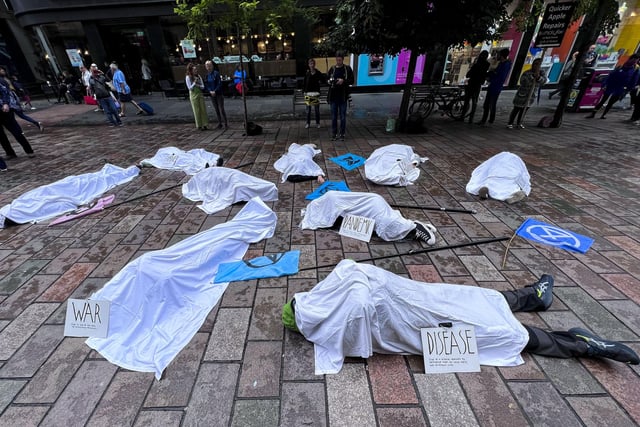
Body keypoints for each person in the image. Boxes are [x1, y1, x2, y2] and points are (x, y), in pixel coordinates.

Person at [282, 260, 639, 375]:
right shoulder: (334, 297)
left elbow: (350, 336)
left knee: (467, 299)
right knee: (482, 330)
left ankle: (533, 298)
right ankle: (578, 344)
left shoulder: (331, 300)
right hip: (409, 318)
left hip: (410, 298)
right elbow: (358, 332)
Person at [299, 191, 437, 245]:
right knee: (382, 228)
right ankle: (413, 226)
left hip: (371, 204)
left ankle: (415, 227)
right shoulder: (328, 203)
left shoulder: (331, 198)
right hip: (372, 204)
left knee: (386, 226)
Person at [586, 54, 640, 119]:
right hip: (612, 85)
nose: (635, 61)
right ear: (631, 59)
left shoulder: (635, 68)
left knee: (611, 102)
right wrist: (605, 84)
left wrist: (629, 88)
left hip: (621, 87)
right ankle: (593, 113)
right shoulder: (621, 65)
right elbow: (611, 75)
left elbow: (634, 79)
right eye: (634, 59)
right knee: (603, 100)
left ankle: (603, 115)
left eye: (636, 60)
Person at [0, 74, 36, 159]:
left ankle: (29, 150)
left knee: (15, 130)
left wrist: (5, 103)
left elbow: (5, 92)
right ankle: (10, 153)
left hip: (4, 109)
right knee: (1, 135)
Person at [507, 58, 547, 129]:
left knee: (524, 110)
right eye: (535, 64)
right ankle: (510, 122)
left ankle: (519, 122)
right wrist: (532, 78)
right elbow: (523, 81)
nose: (536, 66)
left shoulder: (542, 73)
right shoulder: (527, 72)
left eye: (538, 64)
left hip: (531, 95)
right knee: (516, 109)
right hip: (522, 94)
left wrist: (538, 77)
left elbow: (544, 81)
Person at [478, 48, 511, 126]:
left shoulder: (505, 65)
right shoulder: (501, 64)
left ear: (502, 55)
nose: (497, 56)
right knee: (489, 104)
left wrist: (491, 76)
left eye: (498, 54)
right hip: (493, 85)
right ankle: (487, 120)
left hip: (496, 86)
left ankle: (488, 120)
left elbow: (500, 76)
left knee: (490, 104)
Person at [327, 53, 354, 141]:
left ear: (343, 59)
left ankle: (342, 134)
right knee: (334, 117)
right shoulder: (332, 69)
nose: (338, 62)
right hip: (333, 96)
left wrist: (343, 81)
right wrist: (331, 81)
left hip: (342, 96)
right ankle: (334, 134)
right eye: (337, 60)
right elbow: (327, 79)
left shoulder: (347, 69)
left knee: (343, 116)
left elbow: (352, 80)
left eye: (340, 60)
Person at [459, 50, 490, 124]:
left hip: (471, 83)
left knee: (467, 101)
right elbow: (484, 75)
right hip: (477, 84)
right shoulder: (486, 65)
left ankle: (462, 116)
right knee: (474, 101)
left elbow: (468, 74)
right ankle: (471, 118)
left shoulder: (476, 64)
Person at [204, 60, 228, 129]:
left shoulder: (216, 73)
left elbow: (219, 83)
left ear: (212, 66)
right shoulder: (207, 75)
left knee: (221, 108)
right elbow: (206, 84)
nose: (208, 67)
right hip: (212, 94)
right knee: (216, 109)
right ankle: (220, 122)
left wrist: (215, 90)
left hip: (218, 93)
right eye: (207, 66)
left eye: (209, 65)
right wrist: (210, 91)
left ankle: (225, 122)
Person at [303, 58, 326, 129]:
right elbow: (304, 83)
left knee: (316, 110)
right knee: (308, 110)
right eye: (310, 64)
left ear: (314, 64)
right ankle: (308, 123)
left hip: (315, 93)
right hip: (308, 93)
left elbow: (323, 80)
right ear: (309, 65)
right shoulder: (307, 73)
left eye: (313, 64)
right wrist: (304, 91)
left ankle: (318, 123)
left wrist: (320, 82)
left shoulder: (318, 73)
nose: (312, 65)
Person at [185, 63, 208, 130]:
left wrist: (199, 86)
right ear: (191, 70)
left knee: (203, 109)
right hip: (193, 95)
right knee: (196, 110)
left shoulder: (199, 76)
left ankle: (205, 124)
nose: (196, 71)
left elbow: (203, 86)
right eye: (194, 70)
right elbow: (190, 88)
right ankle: (199, 125)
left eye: (196, 69)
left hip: (200, 94)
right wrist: (194, 83)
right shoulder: (188, 77)